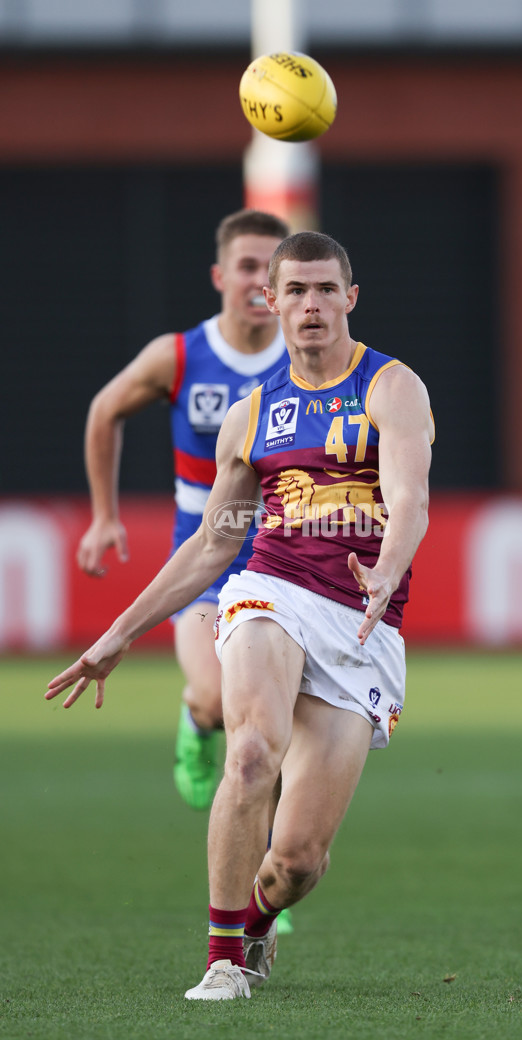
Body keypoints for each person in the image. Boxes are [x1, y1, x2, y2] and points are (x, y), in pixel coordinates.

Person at [47, 230, 434, 1001]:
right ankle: (223, 958)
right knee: (252, 752)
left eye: (327, 290)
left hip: (361, 622)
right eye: (296, 291)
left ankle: (256, 923)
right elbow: (210, 548)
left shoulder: (392, 387)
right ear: (272, 301)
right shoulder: (253, 416)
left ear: (350, 299)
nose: (312, 305)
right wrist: (119, 633)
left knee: (297, 863)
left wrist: (389, 567)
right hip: (272, 589)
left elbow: (411, 497)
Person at [76, 208, 290, 817]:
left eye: (270, 271)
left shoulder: (309, 361)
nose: (258, 282)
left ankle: (266, 893)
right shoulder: (179, 355)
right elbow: (104, 410)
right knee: (216, 698)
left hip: (283, 561)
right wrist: (102, 515)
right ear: (219, 275)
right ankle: (196, 723)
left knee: (271, 725)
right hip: (205, 561)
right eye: (246, 267)